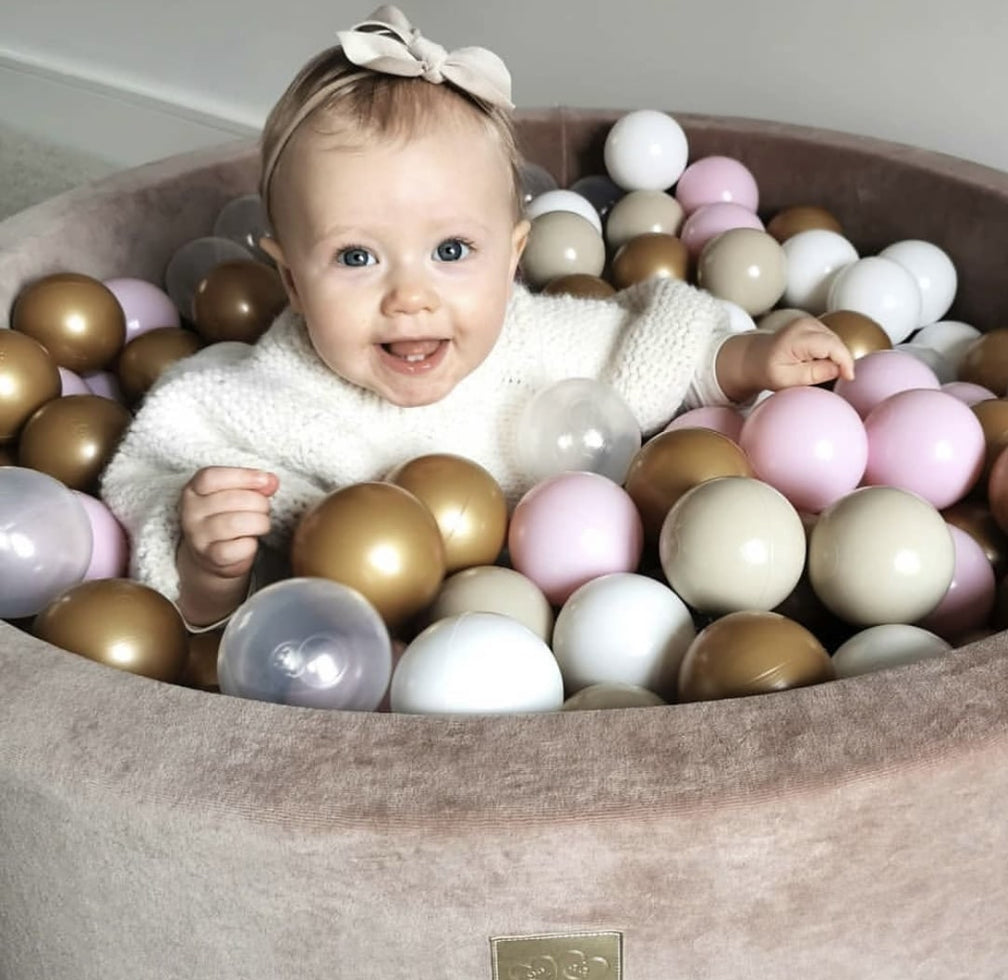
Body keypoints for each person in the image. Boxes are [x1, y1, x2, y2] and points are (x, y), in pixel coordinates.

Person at [101, 5, 854, 630]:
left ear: (512, 257)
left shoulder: (532, 341)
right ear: (292, 283)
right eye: (358, 258)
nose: (410, 297)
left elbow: (646, 344)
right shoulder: (265, 401)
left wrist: (749, 359)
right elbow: (156, 476)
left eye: (452, 249)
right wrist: (207, 570)